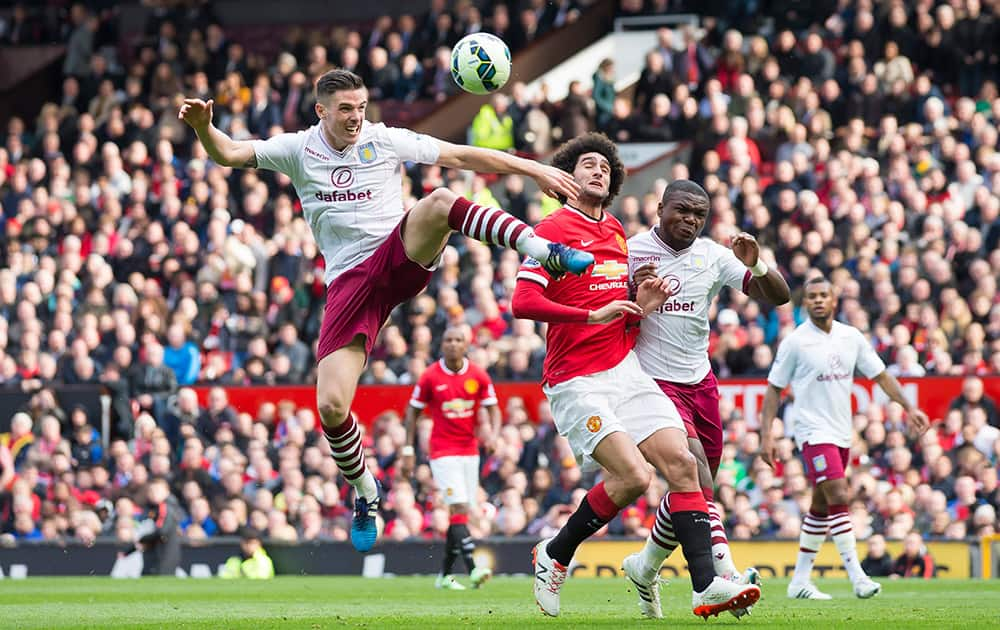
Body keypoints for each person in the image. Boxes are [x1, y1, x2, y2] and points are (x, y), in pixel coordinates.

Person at [179, 68, 593, 553]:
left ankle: (543, 249)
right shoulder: (296, 149)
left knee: (440, 199)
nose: (356, 117)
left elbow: (460, 154)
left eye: (361, 107)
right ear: (322, 111)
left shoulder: (385, 139)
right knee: (331, 408)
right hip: (348, 284)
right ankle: (365, 491)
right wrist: (204, 128)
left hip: (398, 253)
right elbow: (228, 153)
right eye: (346, 110)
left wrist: (534, 168)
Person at [511, 132, 759, 619]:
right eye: (587, 164)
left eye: (606, 166)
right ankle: (555, 552)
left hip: (625, 369)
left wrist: (638, 310)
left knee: (684, 465)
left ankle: (706, 586)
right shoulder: (552, 229)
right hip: (576, 378)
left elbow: (621, 308)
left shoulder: (618, 233)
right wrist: (594, 316)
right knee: (632, 477)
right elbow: (523, 303)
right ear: (567, 177)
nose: (599, 170)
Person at [626, 179, 790, 617]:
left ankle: (644, 566)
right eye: (682, 210)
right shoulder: (631, 251)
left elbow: (779, 296)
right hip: (651, 382)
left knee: (695, 493)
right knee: (696, 472)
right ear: (660, 208)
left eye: (699, 214)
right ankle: (724, 575)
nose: (691, 220)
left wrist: (756, 267)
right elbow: (610, 313)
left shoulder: (714, 255)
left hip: (701, 382)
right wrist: (630, 292)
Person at [760, 276, 930, 599]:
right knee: (839, 492)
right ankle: (857, 577)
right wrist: (766, 435)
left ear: (835, 300)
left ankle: (799, 581)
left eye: (824, 295)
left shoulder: (850, 337)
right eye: (812, 297)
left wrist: (909, 407)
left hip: (841, 432)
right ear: (805, 303)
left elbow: (880, 375)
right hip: (811, 431)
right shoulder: (795, 342)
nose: (819, 301)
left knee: (821, 506)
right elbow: (773, 390)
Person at [403, 326, 501, 590]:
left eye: (458, 340)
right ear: (442, 344)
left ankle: (444, 577)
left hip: (470, 450)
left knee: (462, 513)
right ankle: (472, 569)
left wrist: (493, 435)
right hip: (442, 452)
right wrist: (408, 449)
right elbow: (412, 412)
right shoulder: (431, 376)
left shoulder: (477, 375)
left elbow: (494, 409)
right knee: (458, 506)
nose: (453, 344)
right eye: (448, 340)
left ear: (466, 345)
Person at [136, 477, 182, 576]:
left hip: (163, 555)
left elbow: (162, 531)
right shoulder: (151, 509)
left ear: (166, 492)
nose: (153, 493)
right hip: (158, 553)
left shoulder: (165, 507)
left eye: (157, 490)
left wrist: (142, 540)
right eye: (151, 490)